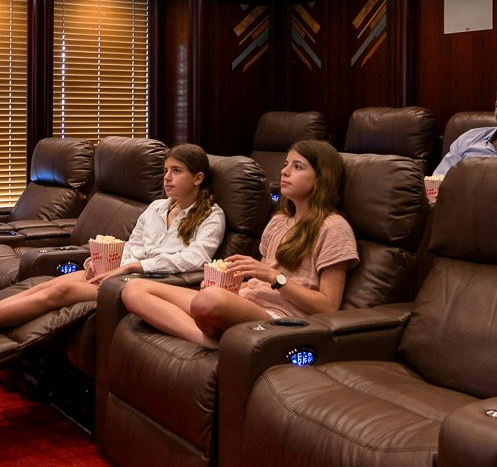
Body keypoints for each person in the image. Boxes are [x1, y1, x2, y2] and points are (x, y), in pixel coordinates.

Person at [0, 144, 226, 360]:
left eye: (177, 171)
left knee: (53, 290)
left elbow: (194, 258)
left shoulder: (212, 216)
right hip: (116, 276)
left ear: (197, 178)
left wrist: (131, 269)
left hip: (149, 287)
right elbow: (132, 245)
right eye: (166, 170)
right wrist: (100, 261)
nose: (167, 178)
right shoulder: (157, 208)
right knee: (45, 286)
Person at [121, 139, 355, 348]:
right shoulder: (278, 221)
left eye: (297, 167)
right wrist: (230, 287)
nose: (284, 172)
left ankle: (213, 327)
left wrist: (274, 278)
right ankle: (207, 341)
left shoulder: (334, 227)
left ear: (322, 177)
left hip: (282, 318)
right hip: (247, 302)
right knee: (133, 289)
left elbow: (329, 306)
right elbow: (256, 282)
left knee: (209, 300)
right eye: (285, 164)